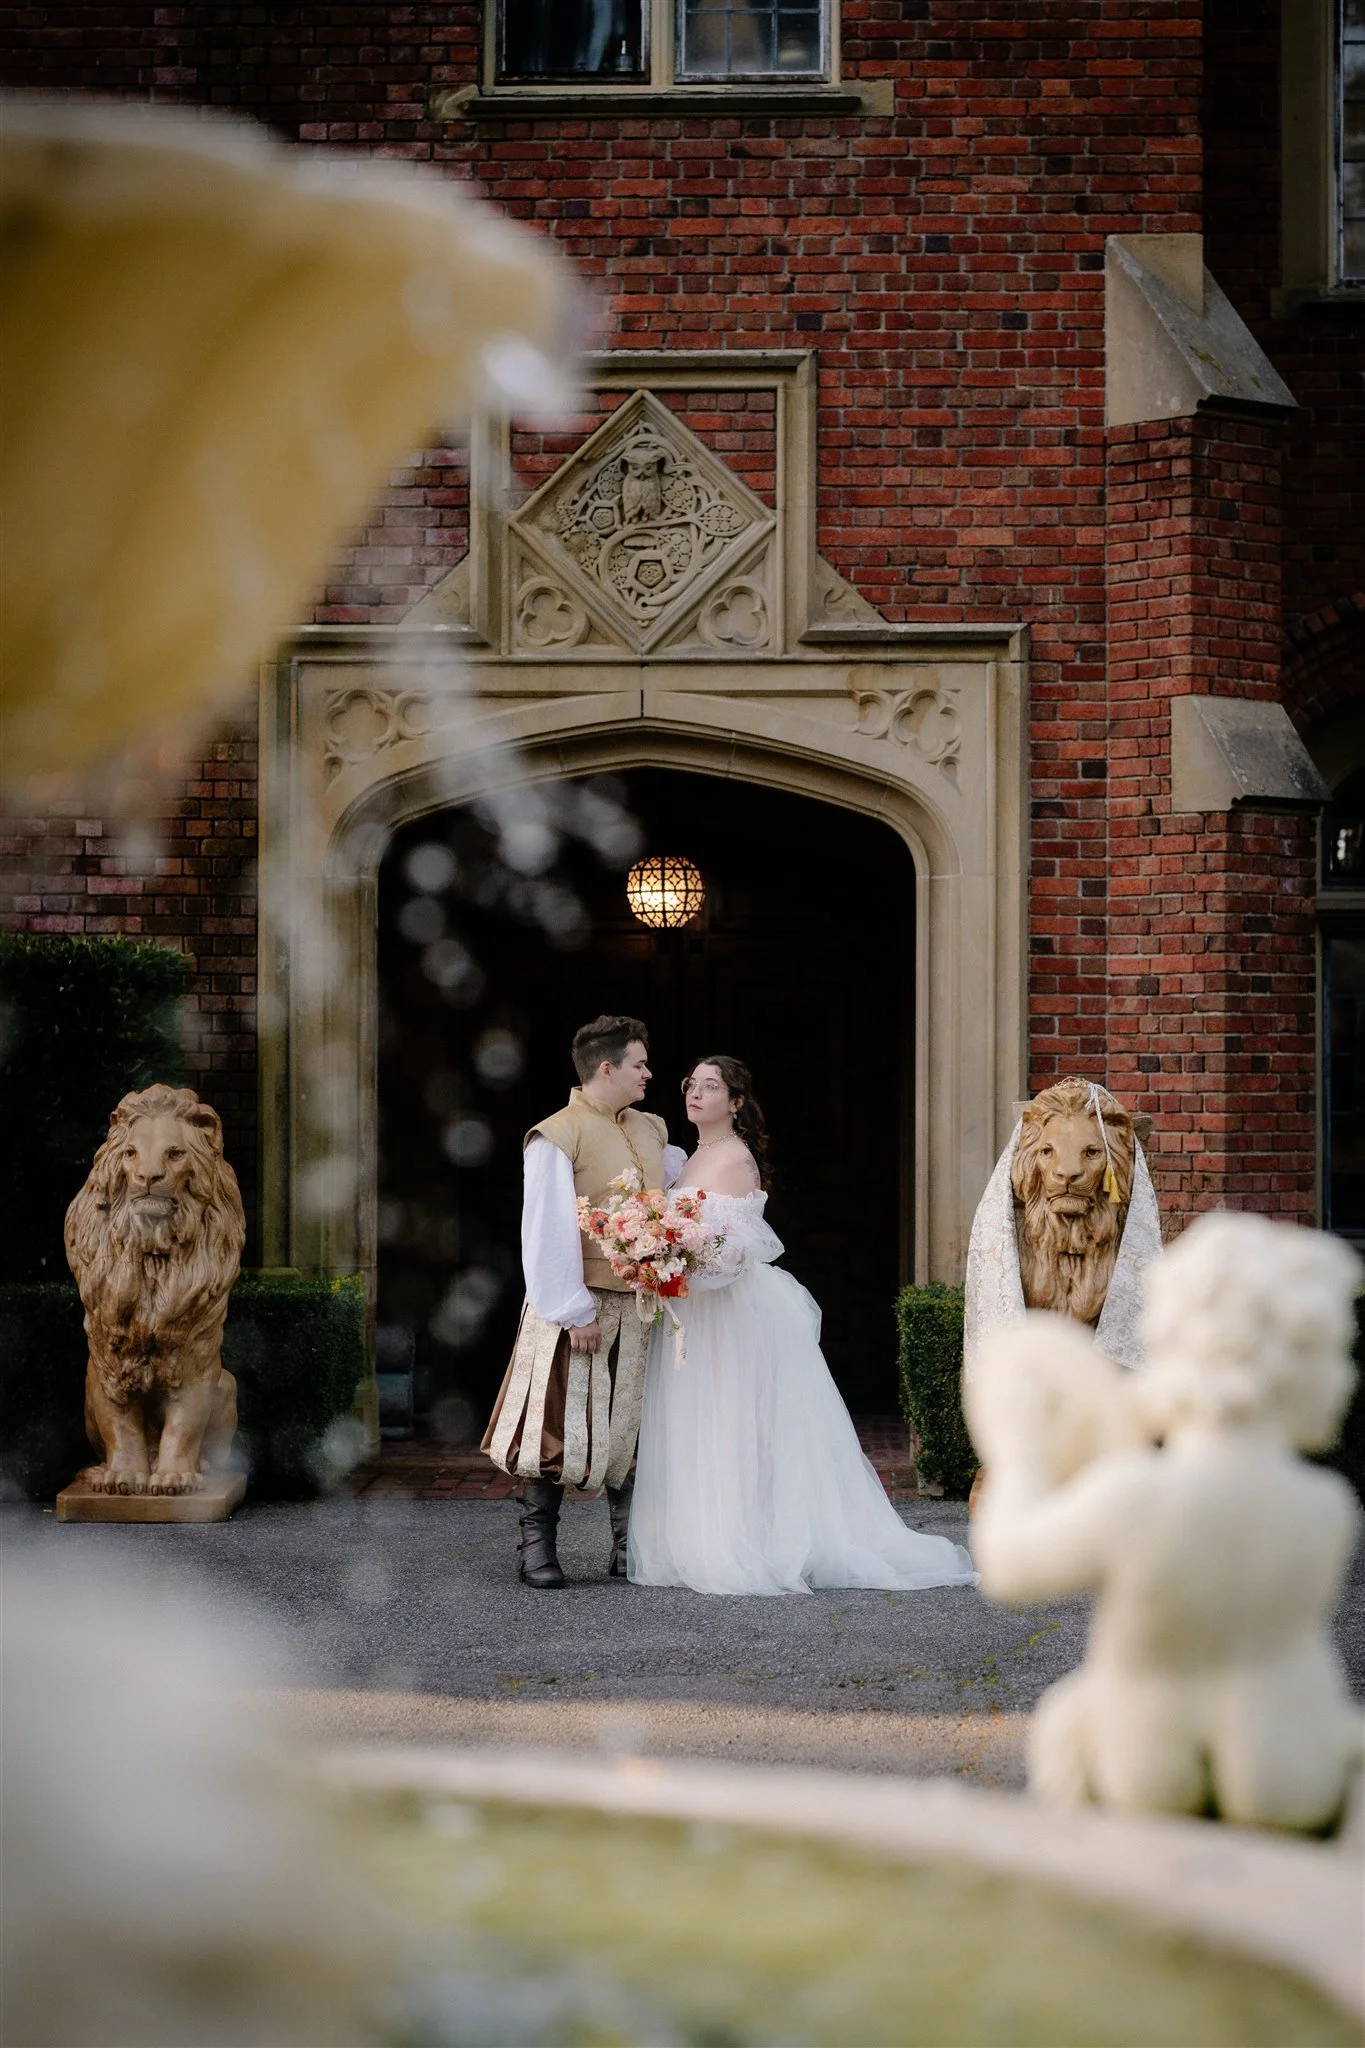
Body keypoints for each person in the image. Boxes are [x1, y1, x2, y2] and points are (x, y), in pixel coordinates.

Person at [628, 1056, 978, 1597]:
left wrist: (677, 1256)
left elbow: (738, 1252)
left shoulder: (734, 1162)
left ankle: (747, 1542)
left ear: (737, 1102)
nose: (696, 1094)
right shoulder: (688, 1157)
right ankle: (701, 1536)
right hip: (697, 1312)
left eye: (711, 1086)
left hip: (732, 1314)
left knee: (735, 1423)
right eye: (691, 1085)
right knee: (702, 1420)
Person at [482, 1014, 687, 1588]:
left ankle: (628, 1548)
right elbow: (546, 1231)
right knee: (555, 1424)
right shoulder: (556, 1134)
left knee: (632, 1421)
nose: (649, 1074)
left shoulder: (652, 1128)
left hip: (640, 1306)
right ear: (607, 1067)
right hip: (579, 1307)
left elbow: (674, 1204)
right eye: (640, 1064)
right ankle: (537, 1548)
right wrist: (574, 1311)